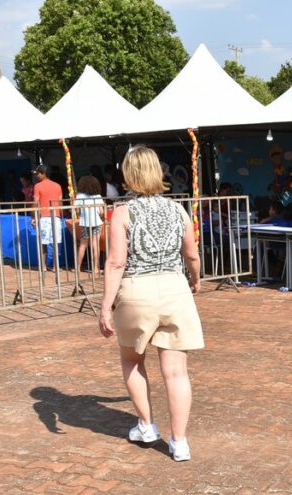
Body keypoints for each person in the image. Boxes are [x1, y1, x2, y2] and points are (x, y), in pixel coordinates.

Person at [98, 145, 204, 463]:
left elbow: (116, 262)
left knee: (133, 360)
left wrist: (105, 305)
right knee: (176, 373)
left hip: (136, 291)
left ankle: (146, 425)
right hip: (174, 288)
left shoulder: (123, 213)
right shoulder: (178, 210)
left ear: (129, 175)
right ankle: (180, 442)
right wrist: (196, 279)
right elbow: (192, 254)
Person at [32, 165, 64, 270]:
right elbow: (60, 203)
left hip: (44, 217)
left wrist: (33, 217)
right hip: (56, 217)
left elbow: (35, 202)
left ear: (43, 174)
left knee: (43, 243)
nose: (37, 175)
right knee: (56, 242)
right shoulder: (58, 186)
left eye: (38, 173)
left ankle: (43, 266)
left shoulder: (37, 186)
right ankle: (55, 266)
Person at [75, 175, 106, 276]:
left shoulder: (79, 196)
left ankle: (77, 268)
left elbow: (77, 211)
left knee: (83, 245)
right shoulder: (97, 196)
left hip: (84, 223)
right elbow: (101, 211)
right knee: (95, 245)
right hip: (96, 223)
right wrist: (100, 216)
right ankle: (95, 268)